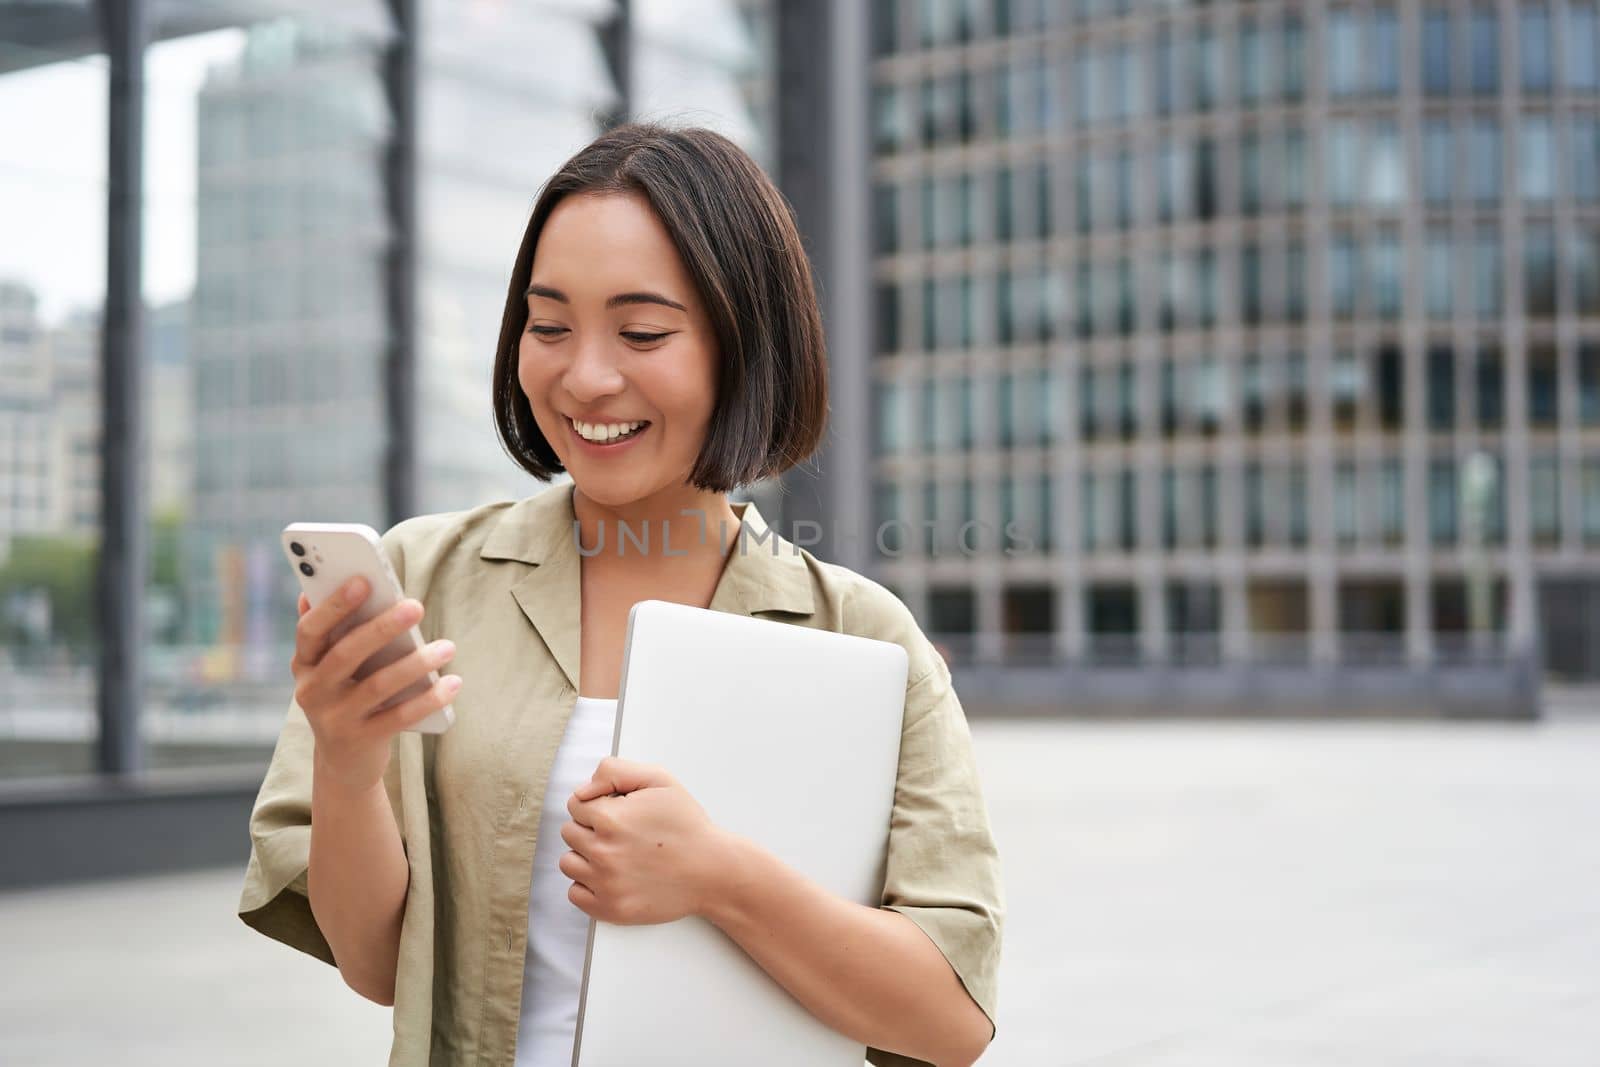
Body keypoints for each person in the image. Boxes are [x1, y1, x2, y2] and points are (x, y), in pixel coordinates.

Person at [238, 121, 1004, 1067]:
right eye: (548, 325)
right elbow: (383, 966)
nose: (586, 376)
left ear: (744, 346)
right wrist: (349, 768)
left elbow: (949, 1019)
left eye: (642, 332)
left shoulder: (865, 641)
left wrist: (719, 877)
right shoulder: (424, 581)